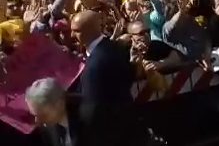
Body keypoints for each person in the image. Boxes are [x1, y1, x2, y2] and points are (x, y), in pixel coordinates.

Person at [70, 10, 145, 146]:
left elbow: (92, 107)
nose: (72, 35)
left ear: (89, 30)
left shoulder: (96, 63)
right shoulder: (115, 48)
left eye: (76, 31)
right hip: (124, 125)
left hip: (106, 132)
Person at [25, 78, 81, 146]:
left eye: (43, 115)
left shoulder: (92, 116)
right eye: (35, 115)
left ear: (59, 104)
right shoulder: (48, 126)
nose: (37, 121)